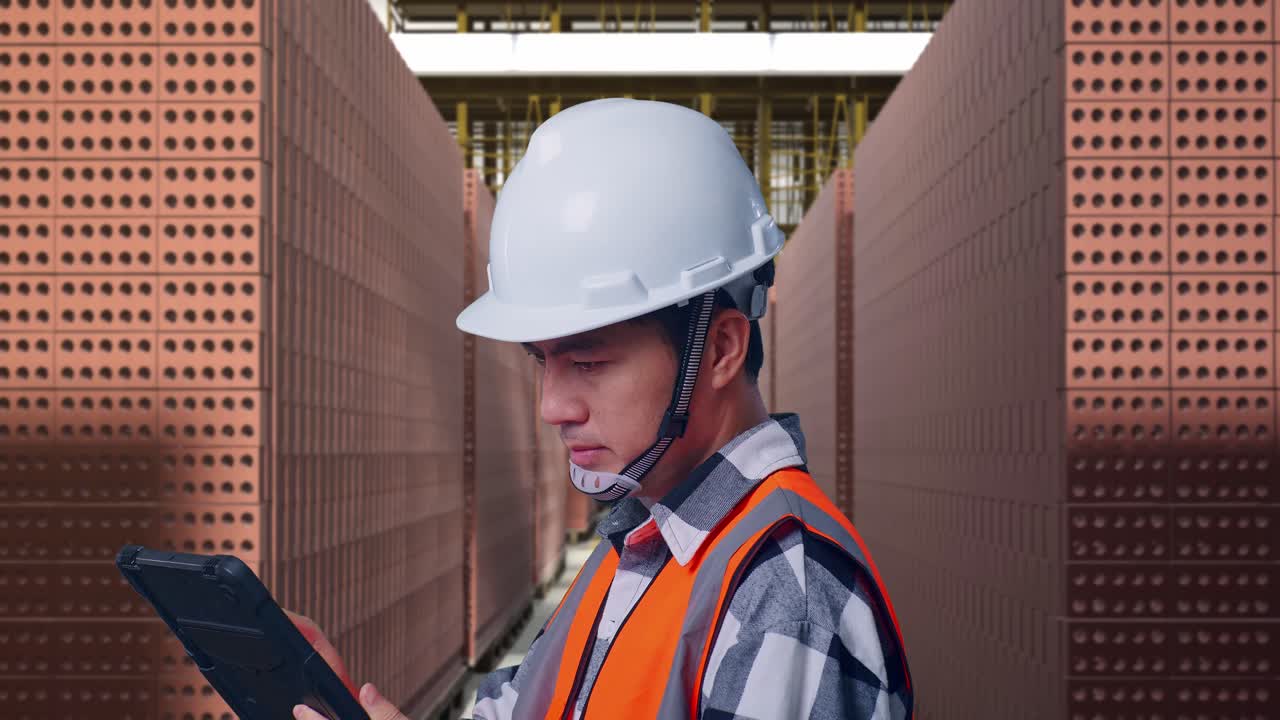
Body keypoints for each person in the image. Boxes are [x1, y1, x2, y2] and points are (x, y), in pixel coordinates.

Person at [292, 97, 912, 720]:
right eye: (543, 361)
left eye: (588, 363)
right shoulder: (641, 541)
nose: (552, 407)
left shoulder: (783, 591)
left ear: (721, 347)